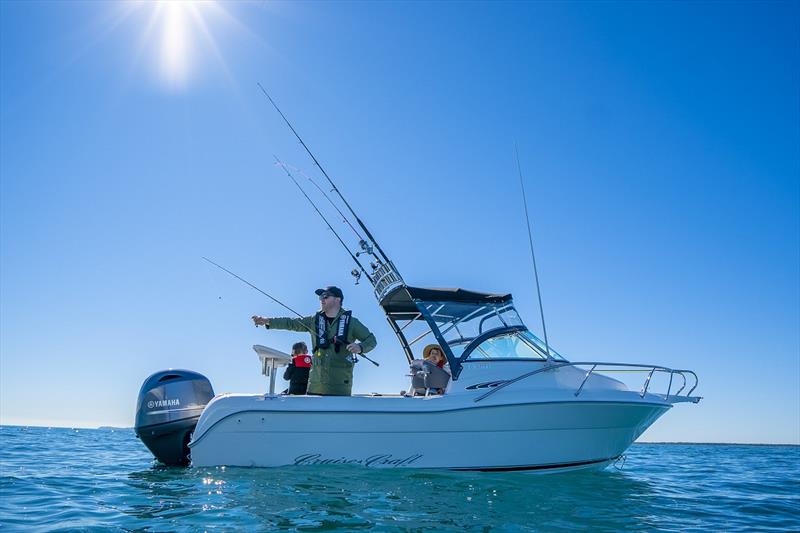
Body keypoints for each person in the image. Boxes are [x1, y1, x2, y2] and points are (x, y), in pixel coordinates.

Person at [252, 286, 377, 396]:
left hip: (340, 388)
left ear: (337, 299)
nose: (321, 299)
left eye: (325, 296)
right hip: (315, 386)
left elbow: (371, 340)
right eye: (320, 297)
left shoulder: (352, 323)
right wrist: (268, 321)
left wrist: (360, 347)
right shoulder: (314, 320)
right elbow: (291, 323)